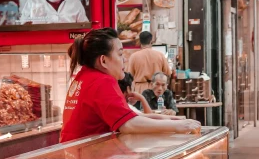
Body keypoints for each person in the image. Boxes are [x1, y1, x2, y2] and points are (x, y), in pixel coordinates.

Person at [60, 28, 200, 142]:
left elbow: (130, 116)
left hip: (76, 156)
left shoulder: (84, 77)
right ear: (103, 61)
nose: (124, 59)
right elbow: (129, 125)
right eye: (120, 54)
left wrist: (169, 119)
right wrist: (176, 126)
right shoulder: (102, 81)